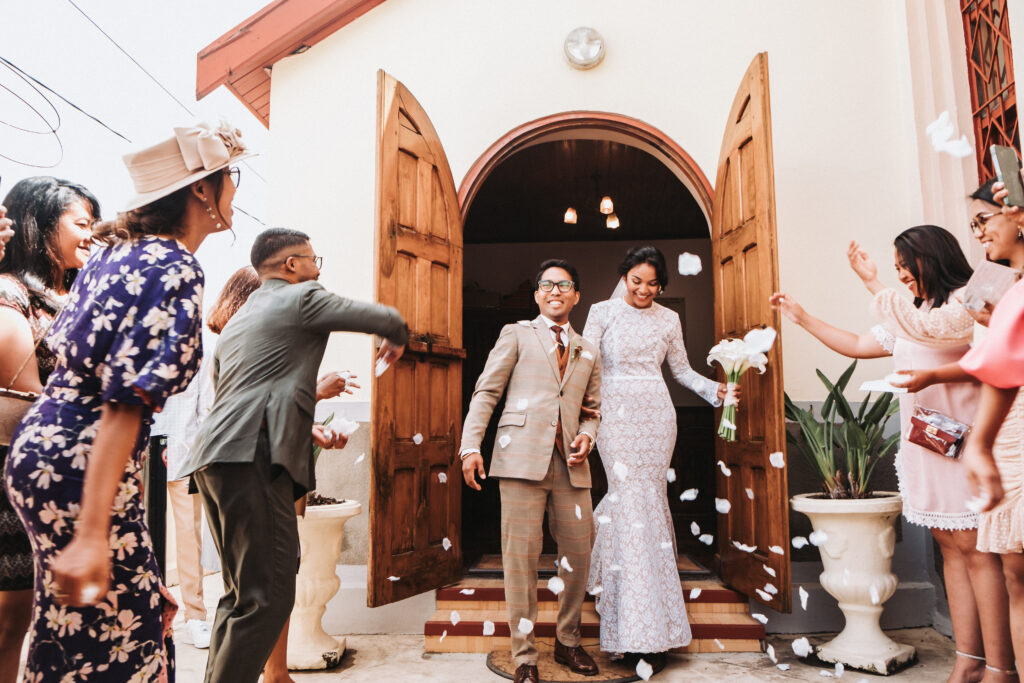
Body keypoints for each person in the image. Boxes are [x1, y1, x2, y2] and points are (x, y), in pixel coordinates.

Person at [4, 121, 249, 681]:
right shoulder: (174, 264)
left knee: (83, 630)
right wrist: (94, 534)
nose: (235, 187)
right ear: (201, 189)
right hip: (85, 457)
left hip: (46, 452)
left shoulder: (117, 254)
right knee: (116, 646)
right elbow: (122, 403)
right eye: (230, 174)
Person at [771, 225, 1014, 682]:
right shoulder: (914, 310)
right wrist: (802, 318)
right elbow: (858, 345)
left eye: (906, 265)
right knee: (951, 549)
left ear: (932, 258)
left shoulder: (966, 302)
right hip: (929, 445)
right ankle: (968, 660)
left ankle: (1000, 667)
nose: (901, 274)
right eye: (896, 268)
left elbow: (986, 361)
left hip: (966, 442)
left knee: (977, 551)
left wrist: (873, 283)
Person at [177, 228, 408, 683]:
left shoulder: (239, 321)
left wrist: (310, 429)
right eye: (313, 259)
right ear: (291, 264)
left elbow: (241, 399)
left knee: (241, 596)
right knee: (269, 596)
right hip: (253, 461)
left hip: (215, 462)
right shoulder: (302, 297)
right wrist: (395, 335)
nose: (317, 269)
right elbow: (380, 316)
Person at [582, 246, 731, 665]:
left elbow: (681, 371)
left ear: (661, 285)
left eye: (652, 284)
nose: (644, 290)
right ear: (624, 277)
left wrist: (714, 389)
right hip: (614, 413)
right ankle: (630, 624)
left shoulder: (669, 319)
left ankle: (651, 628)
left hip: (657, 415)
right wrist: (575, 415)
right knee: (627, 499)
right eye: (636, 281)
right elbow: (585, 365)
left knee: (648, 501)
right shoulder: (601, 312)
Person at [460, 259, 602, 683]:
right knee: (520, 560)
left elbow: (593, 410)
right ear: (537, 294)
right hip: (520, 459)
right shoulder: (516, 334)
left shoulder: (589, 349)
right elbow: (487, 391)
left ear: (577, 295)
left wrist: (587, 435)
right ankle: (524, 655)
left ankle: (568, 640)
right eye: (547, 284)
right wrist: (471, 446)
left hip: (571, 467)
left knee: (578, 556)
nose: (555, 291)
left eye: (564, 285)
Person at [0, 177, 99, 683]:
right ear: (38, 226)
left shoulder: (83, 293)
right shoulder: (10, 293)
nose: (91, 234)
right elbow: (26, 391)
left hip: (77, 473)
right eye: (81, 223)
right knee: (11, 618)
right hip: (20, 469)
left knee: (60, 617)